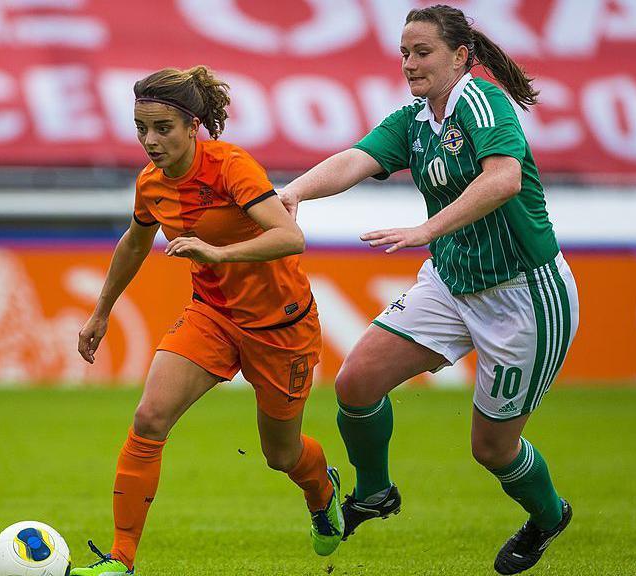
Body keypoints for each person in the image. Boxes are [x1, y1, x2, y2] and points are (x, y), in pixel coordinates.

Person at [279, 5, 579, 575]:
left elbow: (503, 178)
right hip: (451, 281)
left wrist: (426, 229)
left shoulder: (483, 102)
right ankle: (374, 491)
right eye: (404, 54)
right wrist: (293, 192)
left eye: (422, 53)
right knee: (357, 381)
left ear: (461, 56)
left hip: (523, 295)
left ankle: (547, 516)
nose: (410, 64)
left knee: (491, 450)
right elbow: (355, 159)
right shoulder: (417, 120)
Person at [73, 66, 343, 576]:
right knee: (149, 419)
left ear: (192, 126)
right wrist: (101, 310)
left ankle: (321, 489)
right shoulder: (151, 184)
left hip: (280, 327)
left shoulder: (231, 167)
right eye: (140, 128)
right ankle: (120, 560)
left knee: (281, 454)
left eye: (162, 129)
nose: (149, 141)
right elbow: (135, 242)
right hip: (212, 316)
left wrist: (218, 253)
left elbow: (290, 237)